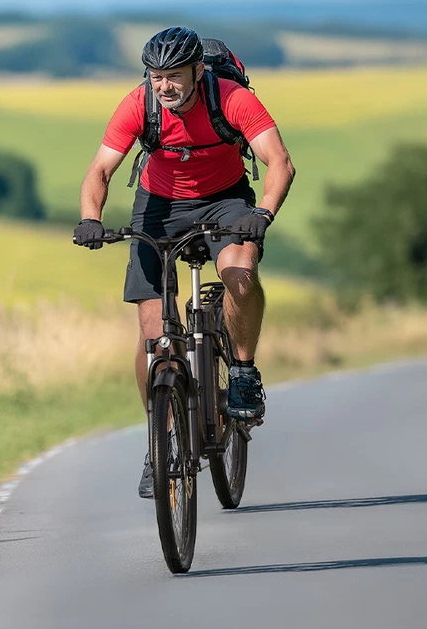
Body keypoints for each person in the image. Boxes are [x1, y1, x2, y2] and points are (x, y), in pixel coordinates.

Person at [72, 26, 295, 498]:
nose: (164, 86)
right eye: (156, 77)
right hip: (158, 206)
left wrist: (262, 213)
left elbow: (279, 161)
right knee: (154, 334)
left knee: (240, 273)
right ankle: (160, 442)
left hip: (225, 200)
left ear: (197, 71)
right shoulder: (139, 105)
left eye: (174, 75)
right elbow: (101, 169)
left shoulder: (231, 98)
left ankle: (242, 371)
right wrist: (91, 218)